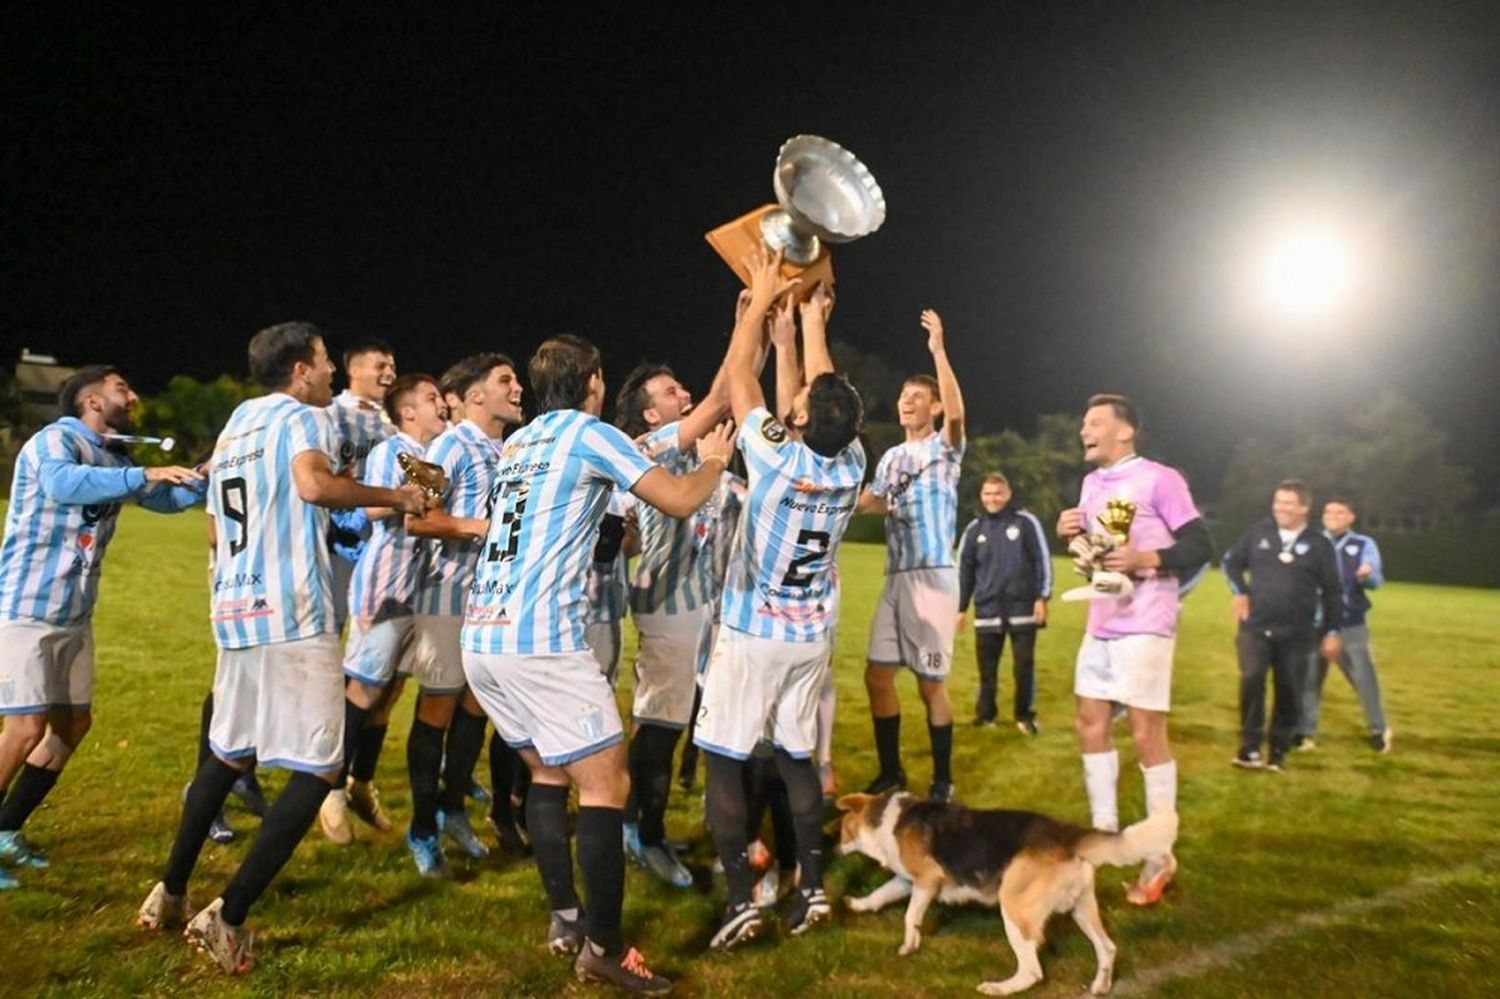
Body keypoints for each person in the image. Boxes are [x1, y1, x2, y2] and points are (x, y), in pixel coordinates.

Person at [136, 322, 427, 974]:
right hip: (293, 611)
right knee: (322, 769)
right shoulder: (302, 417)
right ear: (300, 369)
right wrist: (395, 494)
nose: (327, 374)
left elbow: (214, 496)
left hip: (235, 609)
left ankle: (170, 890)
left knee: (227, 751)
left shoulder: (240, 420)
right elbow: (314, 487)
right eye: (324, 362)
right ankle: (229, 914)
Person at [461, 333, 732, 993]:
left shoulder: (521, 443)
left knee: (549, 771)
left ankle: (565, 915)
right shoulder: (588, 432)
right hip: (541, 642)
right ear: (592, 382)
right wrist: (716, 461)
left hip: (484, 637)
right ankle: (604, 947)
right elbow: (678, 498)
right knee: (609, 782)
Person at [695, 251, 866, 951]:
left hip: (752, 630)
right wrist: (808, 322)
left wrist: (761, 306)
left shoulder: (773, 453)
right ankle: (814, 888)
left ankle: (740, 898)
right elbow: (817, 394)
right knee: (797, 756)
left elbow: (740, 379)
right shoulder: (853, 464)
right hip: (810, 635)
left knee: (723, 757)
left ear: (799, 417)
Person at [0, 367, 203, 889]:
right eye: (122, 389)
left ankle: (5, 828)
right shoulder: (56, 439)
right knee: (23, 731)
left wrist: (207, 474)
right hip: (27, 609)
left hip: (74, 614)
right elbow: (63, 484)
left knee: (72, 727)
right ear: (91, 399)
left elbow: (166, 498)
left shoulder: (116, 455)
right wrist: (144, 476)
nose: (133, 396)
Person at [1056, 393, 1211, 907]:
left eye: (1095, 421)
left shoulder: (1160, 479)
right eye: (1084, 422)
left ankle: (1159, 850)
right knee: (1089, 720)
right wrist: (1072, 535)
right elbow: (1097, 558)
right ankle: (1103, 835)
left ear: (1125, 431)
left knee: (1146, 731)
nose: (1085, 429)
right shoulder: (1091, 484)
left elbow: (1199, 545)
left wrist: (1146, 555)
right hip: (1102, 619)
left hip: (1147, 620)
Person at [391, 353, 525, 873]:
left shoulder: (511, 449)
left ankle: (452, 811)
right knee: (439, 711)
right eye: (505, 381)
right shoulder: (449, 445)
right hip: (448, 598)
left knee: (478, 709)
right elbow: (416, 521)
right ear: (474, 397)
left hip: (494, 602)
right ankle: (422, 829)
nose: (517, 389)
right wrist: (476, 528)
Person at [613, 354, 736, 888]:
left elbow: (722, 396)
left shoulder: (683, 450)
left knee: (666, 721)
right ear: (650, 417)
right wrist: (751, 320)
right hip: (669, 607)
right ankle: (644, 834)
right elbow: (722, 399)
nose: (682, 394)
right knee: (662, 729)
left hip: (695, 609)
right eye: (670, 391)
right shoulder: (652, 449)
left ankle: (639, 825)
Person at [324, 373, 451, 844]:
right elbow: (371, 511)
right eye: (432, 398)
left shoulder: (431, 456)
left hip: (419, 591)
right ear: (407, 412)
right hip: (385, 585)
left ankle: (362, 782)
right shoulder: (390, 451)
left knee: (390, 691)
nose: (442, 405)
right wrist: (408, 499)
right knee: (363, 689)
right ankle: (330, 788)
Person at [857, 309, 966, 802]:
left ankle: (942, 779)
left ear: (935, 408)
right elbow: (874, 501)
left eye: (917, 397)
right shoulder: (890, 458)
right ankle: (891, 772)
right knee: (877, 675)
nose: (906, 402)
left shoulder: (945, 448)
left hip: (932, 575)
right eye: (903, 396)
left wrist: (938, 350)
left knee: (928, 683)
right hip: (896, 575)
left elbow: (960, 416)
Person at [1222, 479, 1343, 772]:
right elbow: (1232, 563)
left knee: (1289, 689)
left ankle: (1278, 751)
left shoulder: (1319, 544)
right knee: (1252, 679)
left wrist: (1332, 631)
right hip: (1255, 627)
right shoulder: (1258, 533)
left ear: (1304, 507)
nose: (1281, 508)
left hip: (1298, 633)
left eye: (1288, 503)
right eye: (1278, 501)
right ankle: (1249, 748)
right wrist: (1240, 592)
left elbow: (1332, 591)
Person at [956, 472, 1052, 733]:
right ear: (981, 496)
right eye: (987, 494)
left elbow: (1041, 560)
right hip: (987, 611)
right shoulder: (974, 529)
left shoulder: (1025, 523)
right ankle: (986, 716)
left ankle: (1024, 716)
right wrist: (960, 608)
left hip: (1022, 609)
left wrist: (1042, 598)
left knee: (1023, 667)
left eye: (997, 493)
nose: (992, 499)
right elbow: (964, 572)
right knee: (987, 670)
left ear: (1008, 494)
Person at [1301, 497, 1391, 753]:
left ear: (1351, 517)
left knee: (1363, 678)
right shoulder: (1311, 541)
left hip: (1350, 623)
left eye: (1340, 512)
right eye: (1329, 511)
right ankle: (1304, 733)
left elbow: (1376, 579)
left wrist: (1367, 575)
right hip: (1314, 623)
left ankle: (1378, 729)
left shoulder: (1363, 544)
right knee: (1309, 679)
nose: (1332, 516)